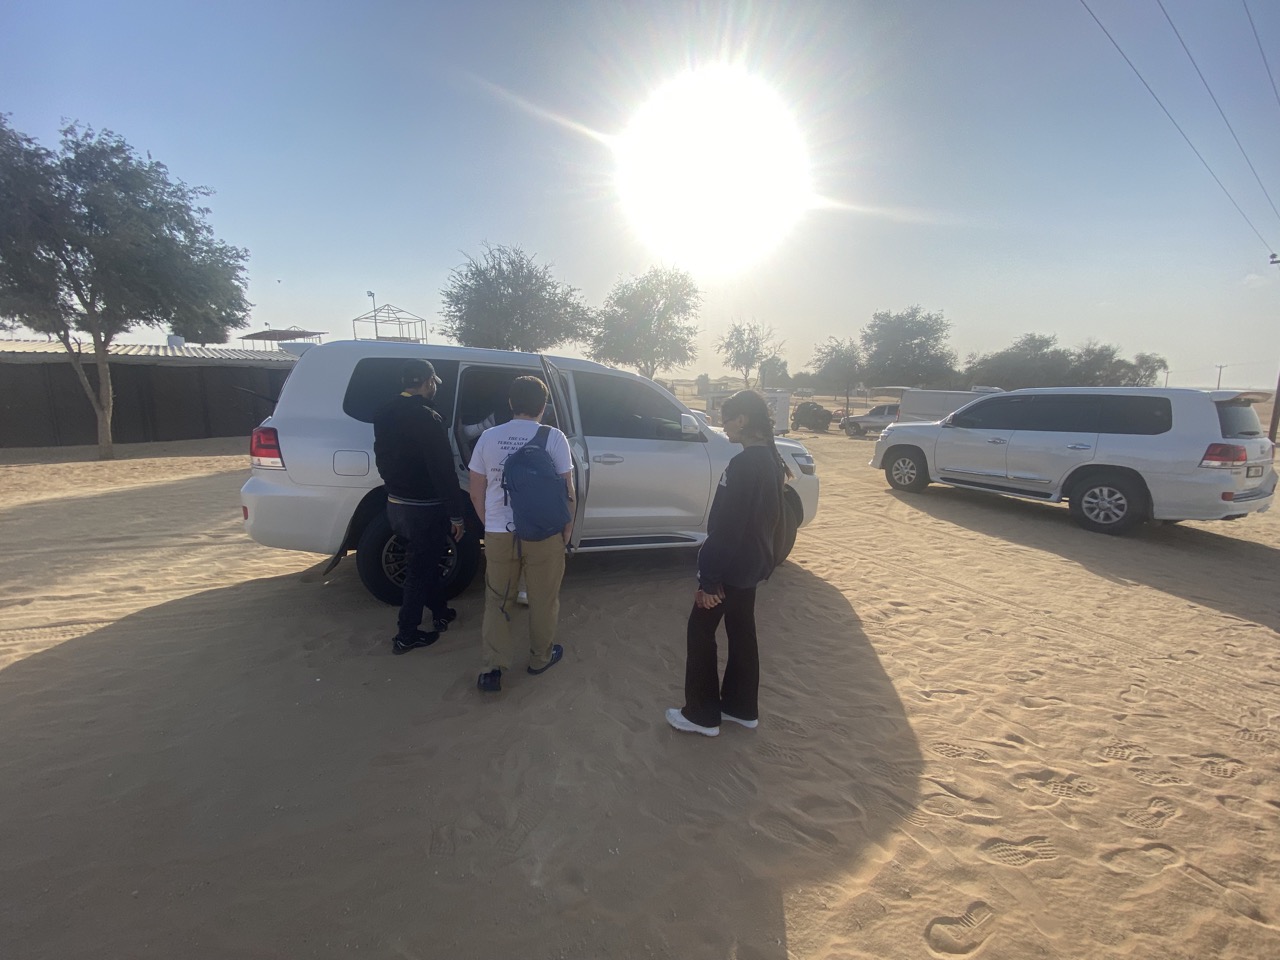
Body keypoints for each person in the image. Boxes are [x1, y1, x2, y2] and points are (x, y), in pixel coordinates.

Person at [666, 390, 791, 737]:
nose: (723, 424)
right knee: (741, 633)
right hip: (749, 567)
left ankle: (702, 714)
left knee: (700, 632)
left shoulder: (746, 463)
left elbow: (728, 526)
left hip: (730, 570)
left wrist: (709, 579)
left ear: (743, 419)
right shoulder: (769, 459)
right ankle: (740, 707)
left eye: (728, 416)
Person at [467, 376, 574, 692]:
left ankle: (492, 669)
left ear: (511, 403)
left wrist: (491, 523)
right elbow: (567, 490)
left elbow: (476, 490)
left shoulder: (488, 437)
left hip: (500, 531)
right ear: (544, 407)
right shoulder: (554, 437)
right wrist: (567, 527)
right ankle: (540, 658)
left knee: (498, 599)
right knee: (543, 598)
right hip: (544, 531)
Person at [372, 359, 468, 655]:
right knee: (420, 567)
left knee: (427, 561)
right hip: (425, 507)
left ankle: (440, 611)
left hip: (396, 503)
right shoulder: (427, 417)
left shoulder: (384, 411)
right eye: (434, 382)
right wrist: (456, 513)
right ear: (428, 382)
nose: (435, 386)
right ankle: (406, 634)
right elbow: (442, 469)